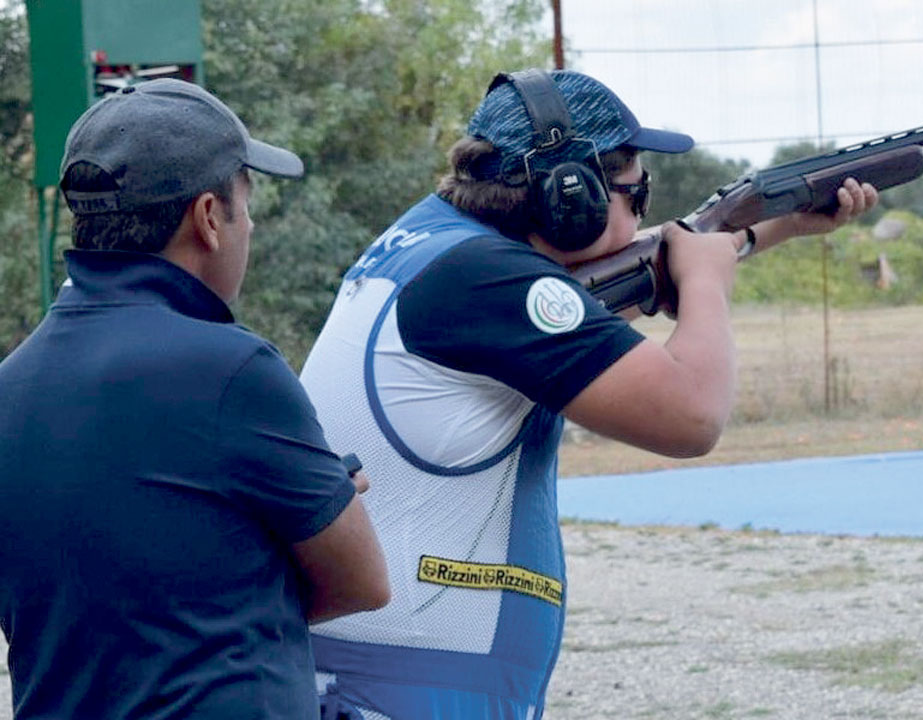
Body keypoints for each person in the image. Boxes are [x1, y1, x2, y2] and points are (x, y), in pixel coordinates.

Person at [299, 68, 877, 720]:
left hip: (378, 675)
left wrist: (778, 225)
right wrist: (706, 284)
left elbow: (602, 295)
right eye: (637, 193)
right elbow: (692, 416)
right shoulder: (487, 280)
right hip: (406, 689)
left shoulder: (435, 245)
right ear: (571, 197)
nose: (643, 212)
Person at [0, 79, 390, 719]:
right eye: (246, 204)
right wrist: (315, 509)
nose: (250, 227)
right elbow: (362, 584)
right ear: (209, 217)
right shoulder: (233, 370)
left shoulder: (11, 384)